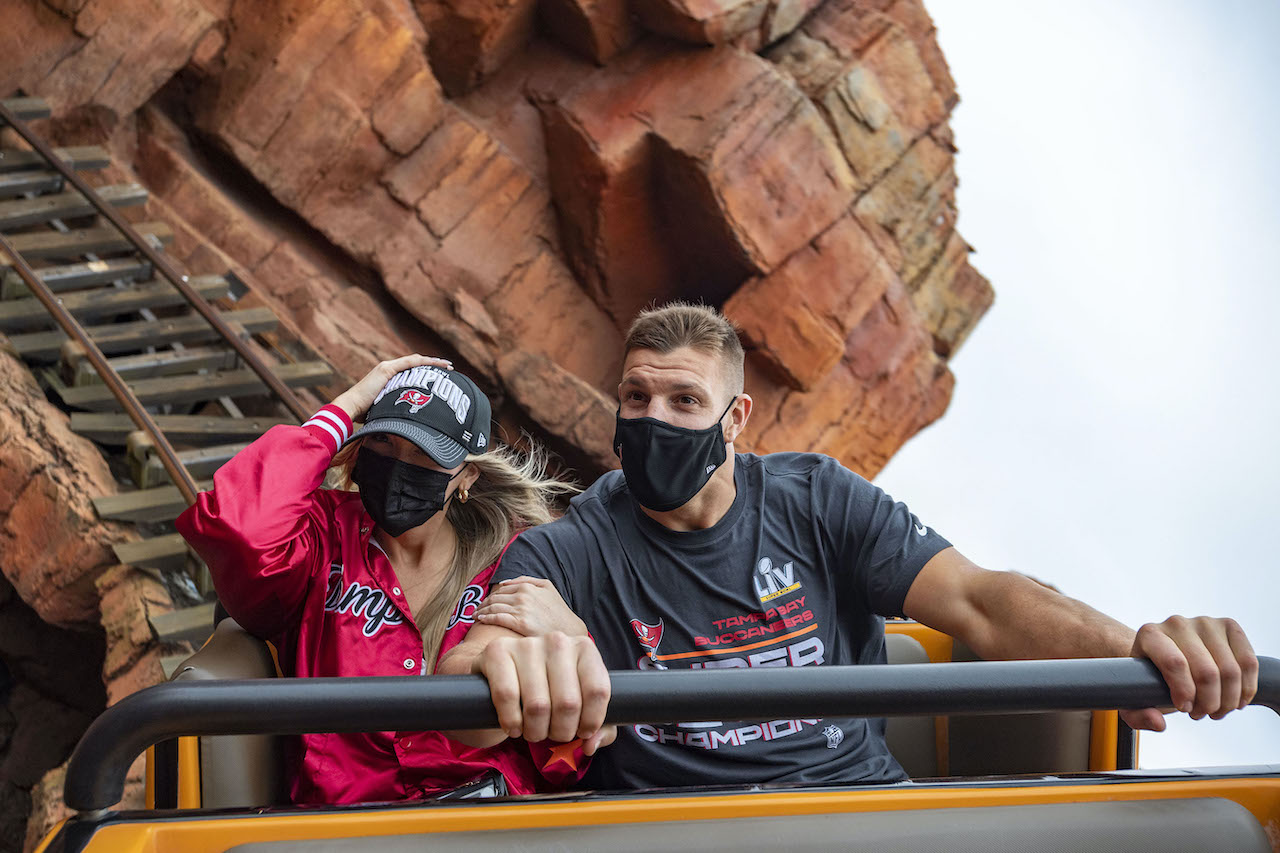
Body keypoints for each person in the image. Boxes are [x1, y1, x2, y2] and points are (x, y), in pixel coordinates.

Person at [439, 303, 1259, 791]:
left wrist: (1140, 650)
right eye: (637, 396)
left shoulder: (813, 497)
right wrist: (511, 664)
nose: (655, 419)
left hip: (860, 807)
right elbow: (470, 685)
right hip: (681, 826)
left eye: (686, 400)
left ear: (736, 419)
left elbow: (979, 598)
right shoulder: (575, 547)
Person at [176, 355, 608, 804]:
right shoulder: (320, 538)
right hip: (347, 825)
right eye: (381, 441)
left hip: (485, 824)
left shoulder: (520, 558)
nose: (398, 463)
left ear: (467, 476)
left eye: (424, 452)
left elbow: (567, 757)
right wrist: (345, 408)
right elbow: (238, 529)